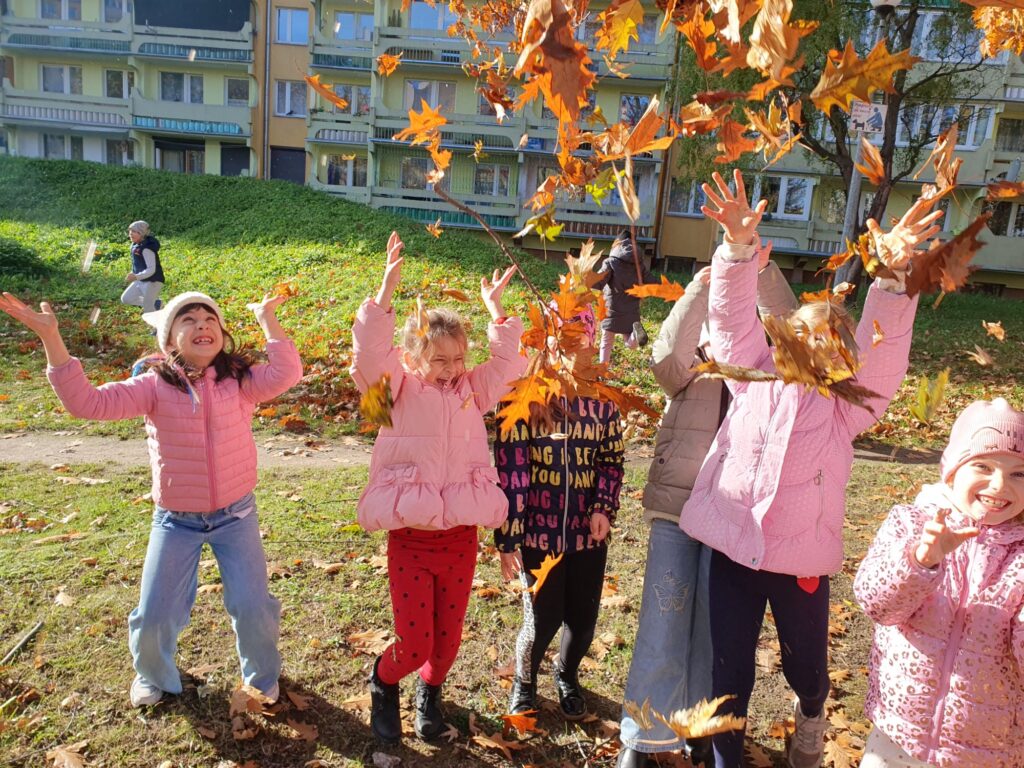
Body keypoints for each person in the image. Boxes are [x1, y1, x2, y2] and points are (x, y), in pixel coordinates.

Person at [680, 170, 943, 768]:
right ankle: (725, 758)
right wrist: (738, 250)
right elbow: (728, 319)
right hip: (734, 552)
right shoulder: (751, 376)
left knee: (805, 667)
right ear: (781, 341)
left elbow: (884, 354)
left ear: (843, 358)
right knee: (729, 670)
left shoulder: (845, 409)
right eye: (801, 336)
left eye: (829, 343)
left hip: (800, 564)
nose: (811, 348)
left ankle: (812, 711)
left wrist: (895, 280)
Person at [0, 288, 302, 708]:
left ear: (222, 334)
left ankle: (262, 676)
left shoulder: (240, 381)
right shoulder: (152, 387)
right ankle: (153, 674)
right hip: (176, 520)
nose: (202, 326)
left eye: (210, 319)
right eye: (188, 320)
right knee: (156, 611)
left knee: (254, 606)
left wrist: (267, 318)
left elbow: (287, 373)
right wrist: (52, 338)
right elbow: (86, 403)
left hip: (237, 515)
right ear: (168, 339)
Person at [616, 245, 797, 768]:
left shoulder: (766, 354)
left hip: (737, 508)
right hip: (679, 502)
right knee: (665, 615)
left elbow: (798, 339)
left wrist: (760, 270)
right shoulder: (694, 352)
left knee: (714, 625)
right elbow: (664, 362)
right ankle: (645, 736)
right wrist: (702, 283)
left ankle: (697, 722)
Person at [349, 231, 525, 745]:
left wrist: (496, 317)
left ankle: (430, 695)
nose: (450, 370)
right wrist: (383, 297)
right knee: (414, 643)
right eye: (439, 360)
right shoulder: (393, 392)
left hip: (460, 538)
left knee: (444, 646)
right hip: (411, 537)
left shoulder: (473, 390)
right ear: (413, 357)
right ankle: (384, 684)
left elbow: (507, 368)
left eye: (457, 358)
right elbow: (367, 359)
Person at [854, 398, 1024, 768]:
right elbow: (876, 604)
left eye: (1018, 474)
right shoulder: (911, 523)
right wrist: (922, 559)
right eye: (982, 465)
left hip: (986, 748)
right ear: (951, 471)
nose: (999, 485)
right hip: (897, 735)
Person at [494, 303, 625, 720]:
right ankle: (524, 681)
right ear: (549, 342)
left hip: (588, 535)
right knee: (541, 620)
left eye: (579, 340)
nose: (572, 350)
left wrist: (603, 505)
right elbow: (512, 472)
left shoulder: (602, 402)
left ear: (589, 342)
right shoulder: (527, 397)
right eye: (562, 339)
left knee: (583, 619)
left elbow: (611, 458)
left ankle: (567, 674)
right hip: (539, 534)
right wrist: (508, 537)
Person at [594, 230, 658, 364]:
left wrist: (589, 284)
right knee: (630, 344)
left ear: (616, 244)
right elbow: (651, 281)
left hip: (612, 308)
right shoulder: (639, 265)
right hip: (631, 310)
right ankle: (635, 335)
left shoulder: (610, 262)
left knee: (606, 342)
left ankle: (602, 369)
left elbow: (599, 280)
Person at [121, 221, 165, 315]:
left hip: (153, 281)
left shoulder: (146, 249)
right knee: (126, 298)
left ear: (141, 233)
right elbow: (138, 264)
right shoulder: (135, 245)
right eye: (130, 231)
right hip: (141, 279)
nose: (131, 233)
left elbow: (151, 269)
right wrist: (133, 275)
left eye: (134, 231)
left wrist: (136, 276)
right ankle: (156, 304)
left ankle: (156, 328)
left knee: (148, 306)